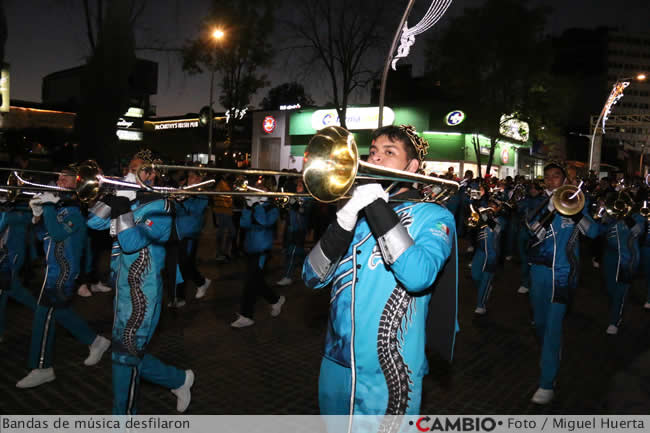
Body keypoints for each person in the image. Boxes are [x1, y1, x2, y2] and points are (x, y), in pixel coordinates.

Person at [302, 125, 458, 421]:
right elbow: (311, 278)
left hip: (389, 371)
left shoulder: (435, 215)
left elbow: (418, 276)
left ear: (412, 166)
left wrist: (377, 205)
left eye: (389, 152)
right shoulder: (354, 210)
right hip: (334, 363)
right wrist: (344, 219)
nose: (375, 159)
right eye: (373, 152)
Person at [89, 151, 194, 414]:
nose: (129, 174)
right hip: (122, 288)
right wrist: (112, 198)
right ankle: (178, 379)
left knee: (124, 357)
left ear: (150, 174)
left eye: (136, 169)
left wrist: (123, 208)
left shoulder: (161, 206)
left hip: (143, 291)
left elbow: (131, 242)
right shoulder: (130, 198)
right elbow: (93, 222)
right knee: (124, 353)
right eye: (129, 168)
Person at [17, 167, 111, 388]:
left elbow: (59, 234)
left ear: (77, 184)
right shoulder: (60, 206)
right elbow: (45, 236)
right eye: (58, 176)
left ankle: (42, 367)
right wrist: (38, 215)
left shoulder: (75, 211)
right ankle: (96, 341)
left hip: (63, 274)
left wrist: (48, 206)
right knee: (58, 312)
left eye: (65, 178)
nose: (59, 180)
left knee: (44, 316)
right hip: (53, 270)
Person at [526, 162, 599, 405]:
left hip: (563, 274)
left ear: (563, 179)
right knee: (540, 324)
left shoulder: (578, 201)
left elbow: (593, 232)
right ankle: (551, 357)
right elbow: (532, 233)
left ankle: (547, 382)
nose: (551, 181)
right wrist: (549, 210)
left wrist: (575, 212)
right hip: (538, 272)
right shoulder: (535, 204)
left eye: (555, 176)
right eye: (547, 178)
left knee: (553, 327)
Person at [231, 180, 285, 328]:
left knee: (250, 283)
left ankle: (246, 315)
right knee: (256, 281)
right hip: (250, 248)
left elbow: (264, 222)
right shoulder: (255, 205)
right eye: (257, 187)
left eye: (261, 187)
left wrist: (256, 205)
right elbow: (244, 224)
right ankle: (276, 300)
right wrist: (248, 207)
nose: (257, 189)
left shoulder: (272, 208)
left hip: (262, 250)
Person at [596, 192, 644, 335]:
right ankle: (617, 311)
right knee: (611, 289)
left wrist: (626, 217)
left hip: (628, 258)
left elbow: (638, 232)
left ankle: (614, 320)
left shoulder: (638, 217)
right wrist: (601, 213)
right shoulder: (611, 217)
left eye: (624, 202)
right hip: (609, 257)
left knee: (621, 290)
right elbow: (597, 232)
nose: (620, 205)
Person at [0, 197, 36, 342]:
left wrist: (5, 212)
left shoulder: (21, 204)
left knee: (6, 291)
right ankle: (47, 312)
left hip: (11, 256)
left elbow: (28, 218)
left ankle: (47, 312)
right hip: (5, 255)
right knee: (9, 292)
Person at [173, 168, 212, 301]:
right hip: (179, 232)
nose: (191, 180)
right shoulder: (184, 191)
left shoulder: (202, 194)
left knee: (184, 264)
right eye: (189, 177)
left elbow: (196, 210)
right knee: (182, 263)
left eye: (194, 177)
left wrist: (185, 199)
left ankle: (180, 297)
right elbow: (176, 210)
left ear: (200, 180)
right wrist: (177, 200)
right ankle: (201, 282)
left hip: (191, 234)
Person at [471, 199, 505, 315]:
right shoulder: (482, 218)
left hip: (491, 255)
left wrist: (487, 218)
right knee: (475, 276)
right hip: (479, 253)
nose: (490, 208)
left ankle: (481, 305)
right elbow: (473, 227)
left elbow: (498, 229)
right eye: (489, 205)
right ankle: (485, 289)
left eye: (494, 206)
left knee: (485, 280)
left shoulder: (501, 219)